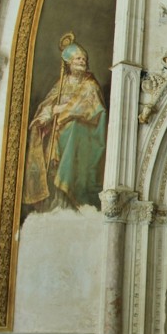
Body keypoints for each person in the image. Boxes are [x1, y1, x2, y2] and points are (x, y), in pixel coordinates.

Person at [23, 35, 107, 213]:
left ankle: (70, 198)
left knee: (74, 128)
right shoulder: (62, 83)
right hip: (59, 133)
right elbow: (49, 105)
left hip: (85, 134)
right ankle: (57, 200)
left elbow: (94, 109)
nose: (82, 61)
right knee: (52, 151)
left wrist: (65, 109)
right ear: (68, 62)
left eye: (84, 59)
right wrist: (46, 115)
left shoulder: (90, 84)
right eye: (78, 58)